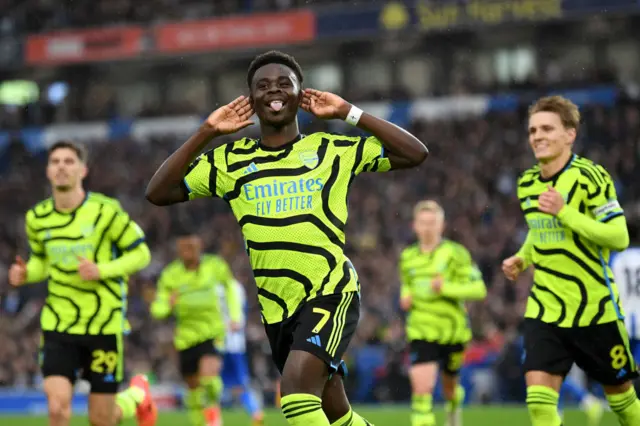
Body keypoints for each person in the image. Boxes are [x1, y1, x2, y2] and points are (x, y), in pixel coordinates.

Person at [145, 50, 428, 426]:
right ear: (250, 100)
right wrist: (207, 132)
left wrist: (349, 113)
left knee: (295, 394)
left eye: (283, 83)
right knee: (334, 410)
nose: (273, 91)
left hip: (330, 292)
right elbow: (159, 192)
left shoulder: (331, 150)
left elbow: (415, 153)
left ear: (300, 94)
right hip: (278, 311)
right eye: (262, 86)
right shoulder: (230, 161)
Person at [501, 95, 640, 426]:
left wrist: (565, 211)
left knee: (622, 401)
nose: (538, 136)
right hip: (545, 308)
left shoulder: (591, 177)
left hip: (594, 308)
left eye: (547, 128)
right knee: (539, 403)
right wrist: (522, 257)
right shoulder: (527, 183)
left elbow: (619, 236)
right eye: (533, 130)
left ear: (570, 134)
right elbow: (538, 231)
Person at [8, 140, 156, 426]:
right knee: (57, 409)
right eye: (55, 162)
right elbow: (42, 260)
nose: (61, 167)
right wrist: (27, 273)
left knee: (101, 419)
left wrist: (101, 270)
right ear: (48, 171)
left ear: (83, 170)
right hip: (59, 325)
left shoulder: (106, 211)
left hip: (103, 325)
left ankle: (137, 396)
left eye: (69, 161)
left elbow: (141, 254)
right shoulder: (37, 218)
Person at [399, 200, 486, 426]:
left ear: (442, 225)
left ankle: (453, 409)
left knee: (450, 388)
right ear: (414, 226)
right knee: (421, 392)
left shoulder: (456, 253)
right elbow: (407, 283)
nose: (427, 228)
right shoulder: (408, 256)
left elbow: (479, 289)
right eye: (423, 223)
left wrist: (446, 288)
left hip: (452, 332)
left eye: (432, 223)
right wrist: (405, 294)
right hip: (420, 330)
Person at [150, 234, 242, 426]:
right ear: (178, 249)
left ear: (199, 245)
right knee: (193, 390)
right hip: (185, 337)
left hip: (212, 332)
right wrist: (168, 304)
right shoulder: (171, 274)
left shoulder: (214, 265)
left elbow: (230, 288)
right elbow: (157, 310)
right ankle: (200, 422)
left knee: (209, 379)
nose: (187, 252)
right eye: (183, 248)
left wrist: (234, 316)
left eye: (191, 247)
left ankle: (213, 415)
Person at [218, 279, 265, 425]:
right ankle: (255, 412)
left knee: (213, 382)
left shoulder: (215, 286)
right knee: (240, 381)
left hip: (221, 343)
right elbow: (242, 313)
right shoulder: (237, 286)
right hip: (235, 344)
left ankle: (211, 418)